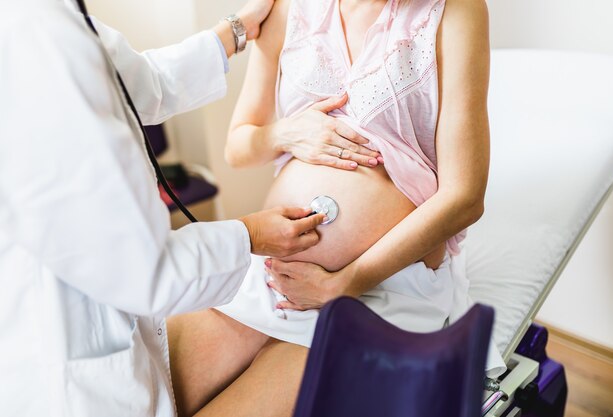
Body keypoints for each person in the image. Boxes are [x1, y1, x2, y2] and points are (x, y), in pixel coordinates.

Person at [167, 0, 500, 416]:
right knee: (148, 394)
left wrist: (348, 281)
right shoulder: (288, 7)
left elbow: (465, 195)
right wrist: (289, 132)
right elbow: (238, 146)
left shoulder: (456, 11)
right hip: (270, 276)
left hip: (380, 289)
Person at [0, 0, 328, 416]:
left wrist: (235, 31)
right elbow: (142, 268)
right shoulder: (34, 37)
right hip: (65, 371)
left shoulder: (49, 19)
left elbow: (135, 82)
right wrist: (251, 235)